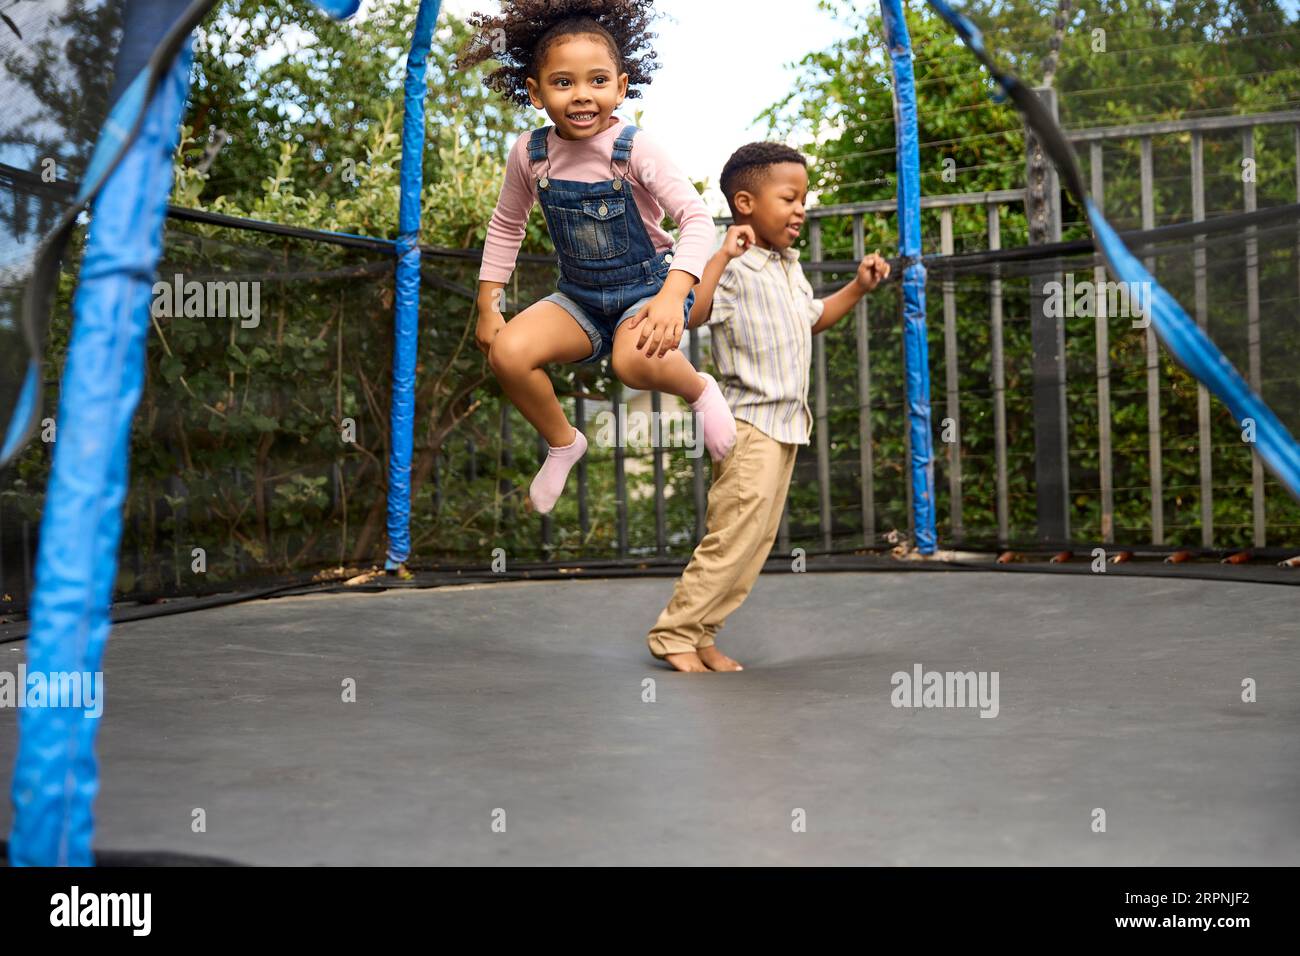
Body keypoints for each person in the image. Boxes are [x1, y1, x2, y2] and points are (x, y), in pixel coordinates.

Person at [460, 0, 736, 515]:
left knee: (632, 362)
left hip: (651, 289)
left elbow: (697, 221)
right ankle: (564, 442)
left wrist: (674, 295)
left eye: (597, 80)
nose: (582, 94)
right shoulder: (529, 153)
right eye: (563, 82)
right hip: (581, 297)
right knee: (509, 353)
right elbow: (506, 225)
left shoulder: (635, 149)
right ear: (536, 91)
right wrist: (488, 304)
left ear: (621, 86)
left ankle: (699, 391)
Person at [646, 142, 891, 672]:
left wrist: (859, 286)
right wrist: (718, 257)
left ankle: (704, 631)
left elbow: (814, 316)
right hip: (748, 424)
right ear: (745, 202)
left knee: (754, 542)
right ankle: (674, 634)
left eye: (804, 198)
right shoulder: (733, 264)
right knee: (731, 535)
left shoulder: (786, 266)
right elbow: (695, 313)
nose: (801, 208)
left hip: (785, 426)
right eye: (789, 197)